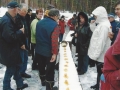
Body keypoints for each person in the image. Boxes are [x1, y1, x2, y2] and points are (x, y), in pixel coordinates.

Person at [0, 1, 28, 90]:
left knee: (17, 67)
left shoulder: (11, 18)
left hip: (14, 49)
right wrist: (21, 31)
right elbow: (11, 37)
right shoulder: (6, 21)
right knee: (11, 69)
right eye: (17, 9)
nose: (18, 11)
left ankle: (19, 84)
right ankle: (6, 87)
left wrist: (21, 44)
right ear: (14, 9)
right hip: (8, 50)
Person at [35, 8, 60, 90]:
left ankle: (43, 81)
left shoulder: (39, 22)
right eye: (58, 16)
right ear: (55, 16)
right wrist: (54, 53)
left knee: (41, 67)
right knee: (50, 70)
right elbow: (54, 41)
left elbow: (37, 35)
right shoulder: (55, 25)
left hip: (39, 50)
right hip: (48, 52)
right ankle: (49, 87)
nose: (58, 18)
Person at [88, 6, 112, 90]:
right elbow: (95, 32)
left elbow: (101, 42)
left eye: (96, 16)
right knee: (99, 72)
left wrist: (95, 56)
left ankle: (99, 87)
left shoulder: (104, 26)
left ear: (100, 15)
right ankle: (97, 85)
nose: (95, 17)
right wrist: (92, 24)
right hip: (99, 55)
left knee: (101, 73)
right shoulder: (102, 24)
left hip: (101, 56)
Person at [16, 3, 31, 78]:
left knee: (25, 57)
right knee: (21, 59)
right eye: (24, 10)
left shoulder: (24, 18)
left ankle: (22, 72)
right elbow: (17, 34)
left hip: (26, 39)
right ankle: (18, 74)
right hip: (20, 42)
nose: (25, 12)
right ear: (19, 10)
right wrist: (21, 44)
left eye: (26, 11)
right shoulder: (17, 19)